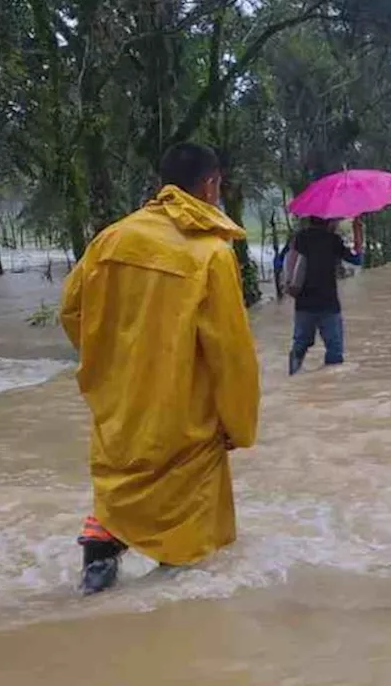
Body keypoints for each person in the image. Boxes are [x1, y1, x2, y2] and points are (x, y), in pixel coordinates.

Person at [59, 142, 260, 595]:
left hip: (120, 401)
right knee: (190, 544)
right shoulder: (211, 253)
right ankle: (177, 636)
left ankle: (102, 542)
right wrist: (239, 425)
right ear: (210, 185)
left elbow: (72, 310)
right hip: (183, 411)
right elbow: (230, 352)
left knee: (119, 479)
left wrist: (111, 361)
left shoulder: (112, 238)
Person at [288, 217, 362, 375]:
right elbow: (357, 259)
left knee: (300, 344)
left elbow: (286, 262)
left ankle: (292, 376)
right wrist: (357, 231)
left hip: (303, 303)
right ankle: (331, 389)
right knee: (334, 352)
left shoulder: (300, 238)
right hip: (328, 304)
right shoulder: (333, 240)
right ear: (329, 221)